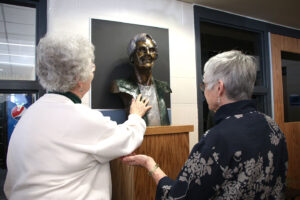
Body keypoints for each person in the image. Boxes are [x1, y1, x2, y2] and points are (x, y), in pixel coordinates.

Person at [122, 50, 288, 199]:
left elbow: (179, 197)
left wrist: (149, 164)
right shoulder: (273, 127)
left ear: (219, 88)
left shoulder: (218, 138)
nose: (204, 90)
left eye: (204, 85)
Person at [4, 33, 151, 200]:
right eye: (91, 67)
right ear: (78, 79)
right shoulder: (81, 118)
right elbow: (127, 138)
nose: (93, 70)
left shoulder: (29, 115)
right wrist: (136, 115)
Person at [111, 33, 171, 126]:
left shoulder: (163, 87)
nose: (148, 54)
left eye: (152, 50)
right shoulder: (120, 86)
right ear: (132, 57)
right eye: (142, 50)